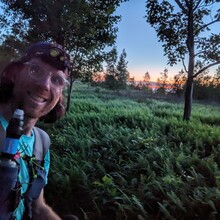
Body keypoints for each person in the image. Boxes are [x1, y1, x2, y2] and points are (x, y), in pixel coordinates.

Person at [0, 41, 75, 219]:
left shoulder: (41, 142)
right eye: (35, 70)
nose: (45, 85)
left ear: (60, 94)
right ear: (13, 74)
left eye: (56, 80)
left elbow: (38, 206)